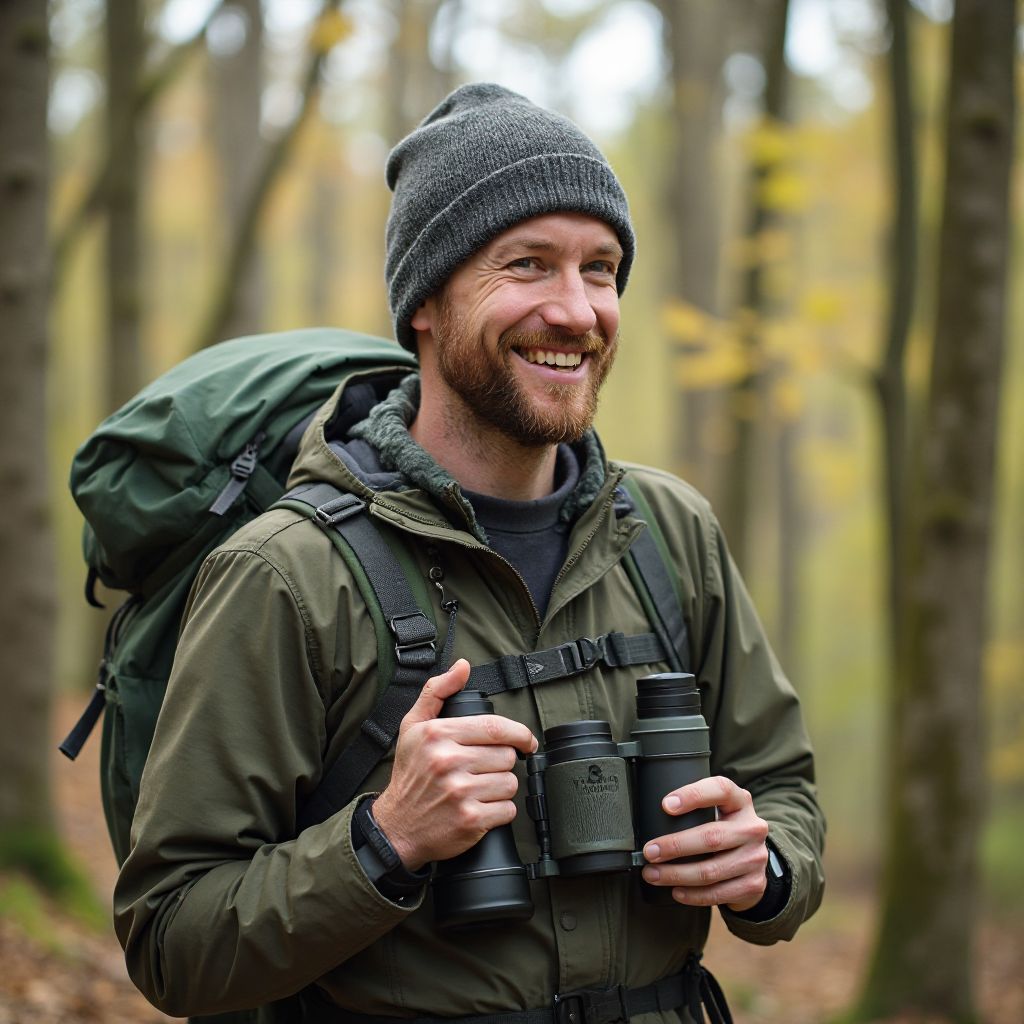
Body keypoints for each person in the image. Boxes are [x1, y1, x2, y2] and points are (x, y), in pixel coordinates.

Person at [114, 82, 825, 1023]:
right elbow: (173, 940)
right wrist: (385, 840)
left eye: (601, 269)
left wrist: (767, 863)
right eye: (527, 264)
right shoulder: (289, 574)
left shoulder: (670, 532)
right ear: (426, 302)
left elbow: (784, 787)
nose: (577, 311)